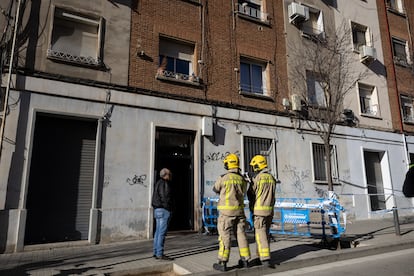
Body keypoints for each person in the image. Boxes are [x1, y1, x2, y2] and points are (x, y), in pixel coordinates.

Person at [212, 153, 251, 272]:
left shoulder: (223, 177)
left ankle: (223, 262)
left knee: (225, 237)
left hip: (226, 214)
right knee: (241, 236)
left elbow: (215, 189)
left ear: (228, 164)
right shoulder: (242, 179)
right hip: (239, 212)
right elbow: (244, 191)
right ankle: (245, 260)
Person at [247, 155, 276, 267]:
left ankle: (265, 258)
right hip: (269, 211)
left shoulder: (258, 178)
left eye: (254, 165)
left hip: (259, 211)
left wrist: (250, 182)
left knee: (260, 234)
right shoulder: (272, 178)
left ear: (257, 165)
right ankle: (260, 256)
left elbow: (251, 193)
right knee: (266, 234)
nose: (253, 167)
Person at [152, 168, 174, 260]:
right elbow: (164, 197)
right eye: (169, 174)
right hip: (163, 210)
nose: (170, 176)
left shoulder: (158, 183)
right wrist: (168, 208)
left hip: (157, 209)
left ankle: (156, 252)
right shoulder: (164, 183)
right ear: (166, 175)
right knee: (162, 233)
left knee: (157, 232)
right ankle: (160, 253)